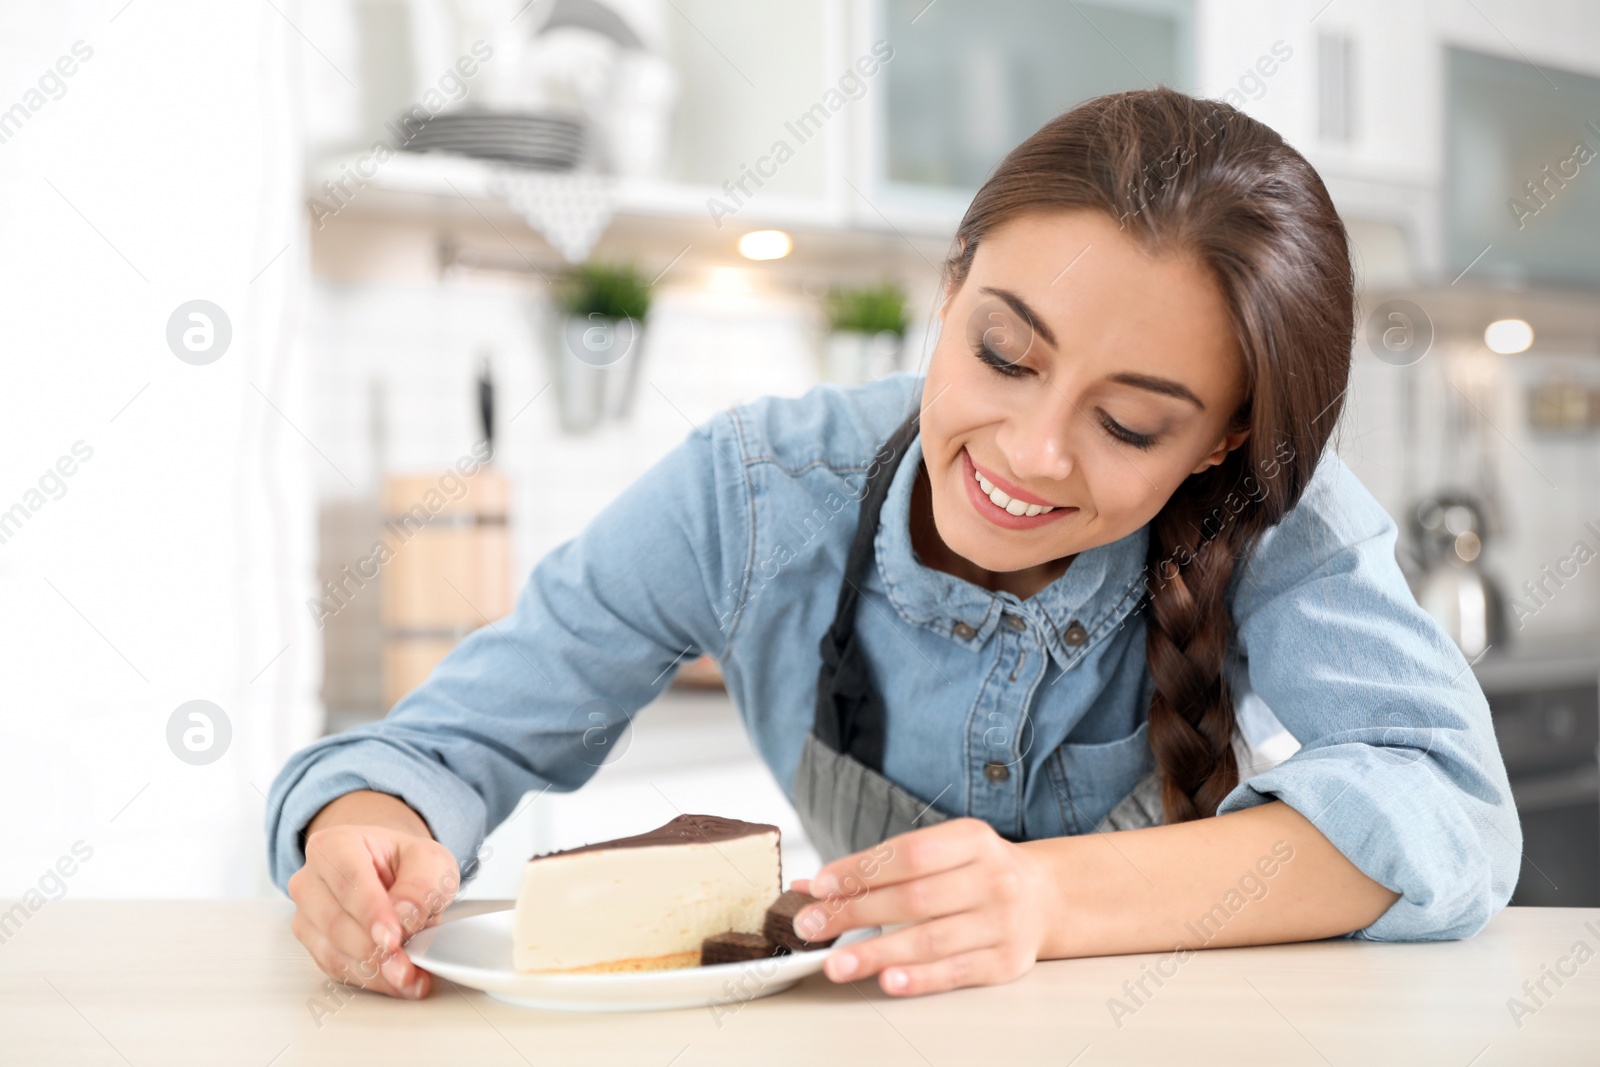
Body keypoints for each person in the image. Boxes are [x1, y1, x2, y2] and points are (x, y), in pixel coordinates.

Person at [267, 86, 1519, 1001]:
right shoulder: (755, 493)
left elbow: (1451, 812)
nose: (1031, 450)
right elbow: (436, 744)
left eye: (1129, 421)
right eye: (1002, 353)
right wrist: (363, 832)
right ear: (950, 285)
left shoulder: (1275, 509)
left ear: (1216, 443)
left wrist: (1046, 898)